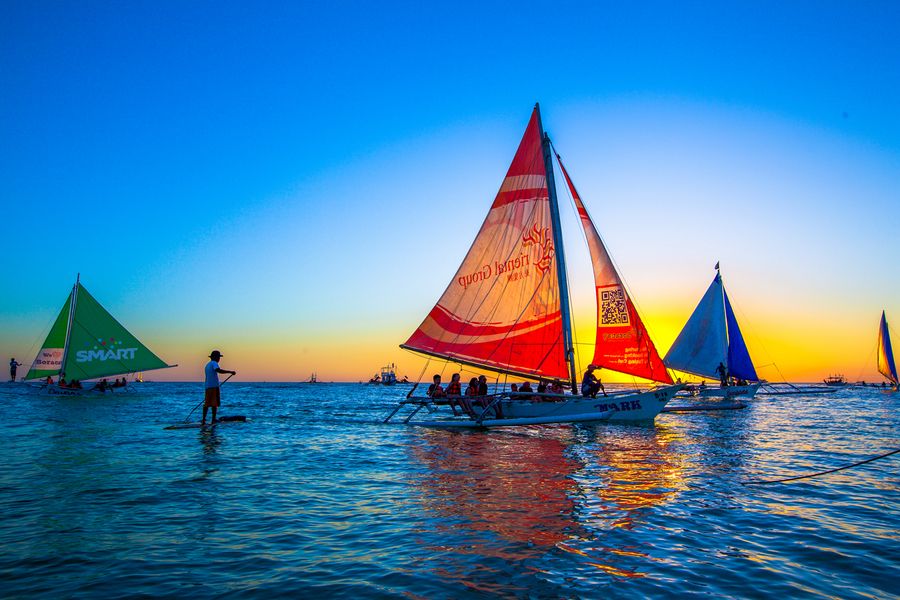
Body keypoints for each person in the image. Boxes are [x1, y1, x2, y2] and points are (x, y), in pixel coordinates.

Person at [203, 350, 236, 426]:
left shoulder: (207, 365)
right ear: (215, 357)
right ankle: (213, 420)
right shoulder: (214, 363)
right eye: (218, 357)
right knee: (214, 404)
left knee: (208, 403)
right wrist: (230, 372)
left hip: (208, 386)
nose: (219, 359)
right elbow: (218, 370)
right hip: (213, 386)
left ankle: (204, 420)